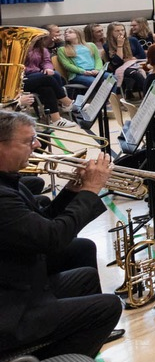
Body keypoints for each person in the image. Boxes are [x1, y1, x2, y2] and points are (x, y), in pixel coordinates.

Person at [0, 110, 124, 360]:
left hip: (20, 280)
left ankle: (75, 339)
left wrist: (72, 192)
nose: (36, 146)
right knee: (108, 307)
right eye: (28, 141)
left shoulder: (9, 180)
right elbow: (52, 239)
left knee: (86, 275)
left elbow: (42, 222)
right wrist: (90, 191)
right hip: (11, 310)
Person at [23, 33, 76, 127]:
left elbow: (46, 62)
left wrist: (48, 68)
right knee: (47, 78)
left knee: (47, 88)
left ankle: (56, 120)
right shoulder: (20, 49)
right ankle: (67, 102)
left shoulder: (42, 49)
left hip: (37, 77)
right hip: (23, 78)